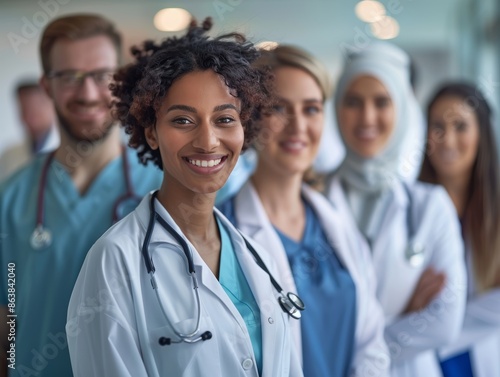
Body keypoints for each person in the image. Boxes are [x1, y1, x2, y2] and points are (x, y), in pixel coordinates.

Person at [66, 18, 303, 377]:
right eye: (182, 121)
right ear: (152, 132)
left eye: (224, 119)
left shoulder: (259, 258)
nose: (208, 142)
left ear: (244, 128)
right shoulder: (115, 260)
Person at [0, 14, 162, 377]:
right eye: (69, 77)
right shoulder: (10, 197)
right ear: (47, 85)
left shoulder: (167, 184)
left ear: (120, 81)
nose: (88, 93)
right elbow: (7, 314)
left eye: (101, 76)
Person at [217, 44, 390, 377]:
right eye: (279, 108)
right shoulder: (224, 235)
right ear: (250, 118)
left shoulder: (336, 223)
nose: (298, 126)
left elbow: (371, 342)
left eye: (311, 109)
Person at [323, 41, 467, 377]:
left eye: (381, 102)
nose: (367, 117)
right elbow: (306, 317)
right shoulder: (310, 201)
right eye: (353, 102)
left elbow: (445, 322)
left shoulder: (430, 206)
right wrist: (406, 314)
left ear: (401, 108)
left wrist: (352, 354)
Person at [419, 82, 500, 377]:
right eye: (437, 126)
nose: (447, 139)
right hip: (420, 362)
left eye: (461, 126)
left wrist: (434, 323)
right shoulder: (407, 208)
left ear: (482, 134)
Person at [0, 81, 59, 182]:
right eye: (24, 109)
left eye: (34, 109)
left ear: (51, 107)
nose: (28, 117)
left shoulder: (68, 152)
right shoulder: (9, 155)